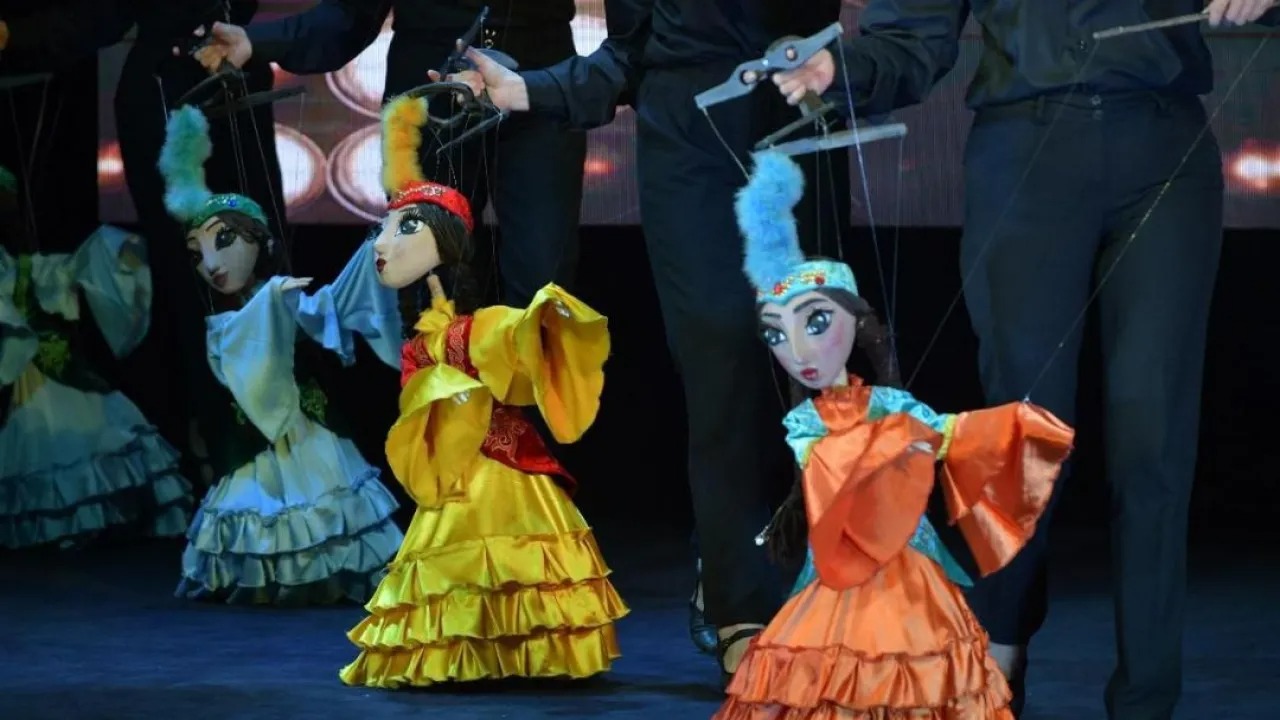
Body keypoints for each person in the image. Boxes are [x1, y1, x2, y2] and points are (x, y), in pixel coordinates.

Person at [764, 1, 1280, 717]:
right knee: (1022, 434)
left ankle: (1148, 698)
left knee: (1155, 442)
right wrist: (840, 69)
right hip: (1026, 150)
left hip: (1164, 147)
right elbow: (913, 33)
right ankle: (999, 654)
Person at [443, 0, 852, 683]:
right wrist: (527, 90)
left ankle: (827, 582)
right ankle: (738, 601)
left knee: (815, 362)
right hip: (687, 143)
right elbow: (631, 53)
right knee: (720, 354)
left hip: (796, 115)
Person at [714, 149, 1073, 719]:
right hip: (839, 568)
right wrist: (898, 440)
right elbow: (835, 471)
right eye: (775, 334)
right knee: (827, 672)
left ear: (855, 322)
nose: (797, 351)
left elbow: (949, 436)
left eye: (814, 322)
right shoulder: (805, 424)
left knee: (915, 668)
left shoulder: (890, 406)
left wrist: (1007, 427)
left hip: (908, 570)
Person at [339, 93, 626, 687]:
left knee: (508, 558)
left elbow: (514, 337)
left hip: (498, 468)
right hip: (449, 475)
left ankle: (520, 649)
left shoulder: (478, 328)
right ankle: (473, 651)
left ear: (445, 241)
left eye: (404, 227)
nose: (382, 244)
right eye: (382, 228)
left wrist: (541, 314)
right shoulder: (420, 340)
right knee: (452, 560)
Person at [0, 0, 287, 488]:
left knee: (260, 268)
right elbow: (98, 16)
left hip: (231, 84)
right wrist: (14, 36)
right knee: (191, 284)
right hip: (162, 99)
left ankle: (282, 450)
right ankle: (224, 463)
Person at [185, 0, 586, 310]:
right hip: (428, 85)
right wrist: (257, 41)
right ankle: (439, 394)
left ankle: (535, 393)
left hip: (541, 81)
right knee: (430, 277)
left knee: (543, 277)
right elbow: (349, 15)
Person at [158, 105, 404, 604]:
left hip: (301, 426)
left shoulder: (279, 296)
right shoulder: (231, 319)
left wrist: (371, 248)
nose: (212, 264)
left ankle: (319, 575)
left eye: (224, 241)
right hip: (251, 436)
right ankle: (264, 579)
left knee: (318, 497)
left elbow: (325, 314)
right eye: (198, 253)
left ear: (259, 241)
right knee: (257, 500)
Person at [0, 164, 192, 550]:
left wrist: (118, 255)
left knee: (82, 441)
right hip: (20, 379)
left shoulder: (37, 269)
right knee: (46, 447)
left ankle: (87, 525)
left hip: (57, 374)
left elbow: (82, 267)